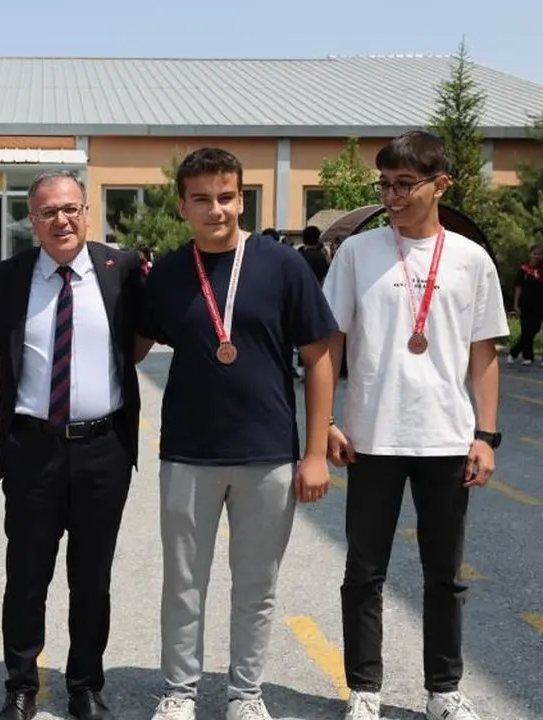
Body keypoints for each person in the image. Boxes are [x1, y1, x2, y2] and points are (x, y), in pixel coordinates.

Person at [140, 148, 337, 720]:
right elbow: (132, 345)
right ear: (182, 206)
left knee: (256, 585)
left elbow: (319, 358)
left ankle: (245, 694)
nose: (216, 209)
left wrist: (316, 452)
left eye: (226, 197)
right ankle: (180, 691)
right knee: (183, 583)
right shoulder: (169, 272)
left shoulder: (283, 265)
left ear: (241, 199)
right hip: (188, 452)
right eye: (201, 199)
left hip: (267, 452)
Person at [323, 131, 506, 720]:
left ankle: (443, 691)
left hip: (446, 439)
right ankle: (364, 689)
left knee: (444, 575)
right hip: (371, 437)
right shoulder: (359, 253)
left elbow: (484, 354)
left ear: (440, 184)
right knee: (364, 572)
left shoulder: (471, 259)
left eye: (405, 184)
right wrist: (326, 421)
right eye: (385, 184)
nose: (392, 197)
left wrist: (486, 436)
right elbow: (330, 342)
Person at [0, 172, 147, 720]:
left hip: (103, 448)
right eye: (48, 212)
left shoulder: (122, 270)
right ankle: (20, 685)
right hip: (33, 448)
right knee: (27, 575)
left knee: (92, 578)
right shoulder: (7, 278)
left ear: (87, 211)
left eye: (71, 208)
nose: (61, 220)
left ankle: (85, 686)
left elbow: (147, 336)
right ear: (32, 220)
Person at [506, 245, 543, 365]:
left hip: (539, 304)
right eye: (534, 253)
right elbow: (518, 287)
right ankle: (527, 356)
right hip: (525, 304)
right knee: (526, 330)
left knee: (535, 329)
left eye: (539, 254)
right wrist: (516, 304)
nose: (537, 256)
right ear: (530, 254)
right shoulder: (523, 270)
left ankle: (514, 352)